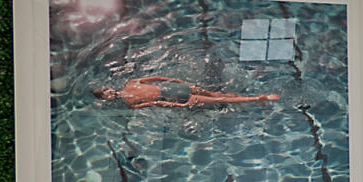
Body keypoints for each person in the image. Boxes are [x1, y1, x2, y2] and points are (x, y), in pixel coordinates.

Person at [93, 75, 278, 109]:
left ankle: (255, 98)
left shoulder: (131, 82)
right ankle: (255, 98)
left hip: (174, 90)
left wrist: (180, 82)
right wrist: (178, 105)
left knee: (216, 97)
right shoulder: (129, 104)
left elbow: (158, 78)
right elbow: (155, 104)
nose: (109, 93)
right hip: (170, 96)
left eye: (107, 90)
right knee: (217, 99)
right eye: (105, 95)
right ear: (106, 99)